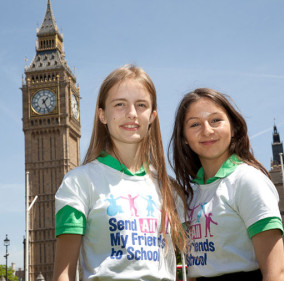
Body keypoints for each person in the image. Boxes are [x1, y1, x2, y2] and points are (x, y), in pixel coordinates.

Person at [53, 64, 186, 281]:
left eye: (141, 105)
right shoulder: (78, 183)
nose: (131, 113)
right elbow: (63, 274)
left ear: (152, 116)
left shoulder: (169, 188)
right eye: (120, 104)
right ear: (102, 115)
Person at [168, 88, 284, 281]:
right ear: (184, 139)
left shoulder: (248, 180)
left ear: (233, 128)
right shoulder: (191, 194)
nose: (207, 130)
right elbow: (199, 267)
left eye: (216, 120)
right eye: (195, 124)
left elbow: (277, 273)